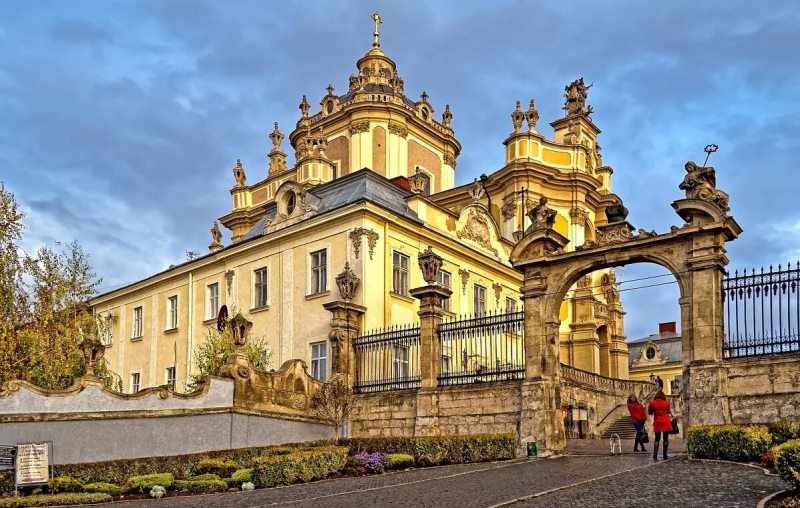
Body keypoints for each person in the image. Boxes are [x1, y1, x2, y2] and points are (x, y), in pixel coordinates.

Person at [648, 390, 673, 460]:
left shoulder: (652, 403)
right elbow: (668, 412)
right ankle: (665, 455)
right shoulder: (666, 403)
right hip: (666, 421)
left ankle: (655, 455)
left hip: (658, 421)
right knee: (665, 439)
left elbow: (650, 412)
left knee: (657, 439)